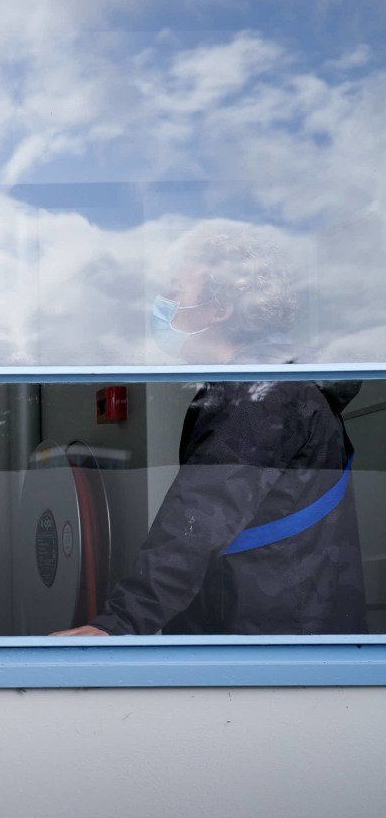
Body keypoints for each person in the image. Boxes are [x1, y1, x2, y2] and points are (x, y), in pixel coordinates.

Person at [58, 227, 364, 636]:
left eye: (176, 290)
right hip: (281, 624)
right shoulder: (271, 383)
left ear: (219, 309)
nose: (162, 303)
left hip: (262, 641)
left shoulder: (260, 394)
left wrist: (120, 624)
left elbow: (199, 520)